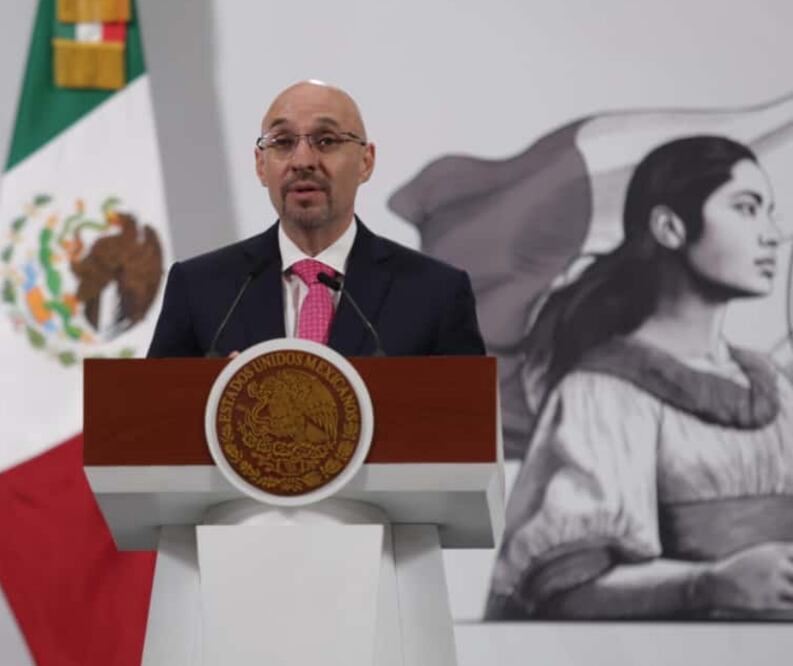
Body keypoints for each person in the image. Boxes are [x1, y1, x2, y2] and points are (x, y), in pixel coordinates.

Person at [486, 135, 793, 620]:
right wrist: (709, 585)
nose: (773, 235)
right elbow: (562, 586)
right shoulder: (603, 393)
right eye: (746, 208)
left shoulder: (776, 386)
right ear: (670, 227)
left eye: (768, 212)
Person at [147, 80, 485, 358]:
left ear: (366, 162)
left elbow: (465, 419)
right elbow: (153, 414)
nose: (303, 161)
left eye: (326, 141)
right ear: (261, 165)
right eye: (283, 142)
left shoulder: (436, 293)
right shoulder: (199, 288)